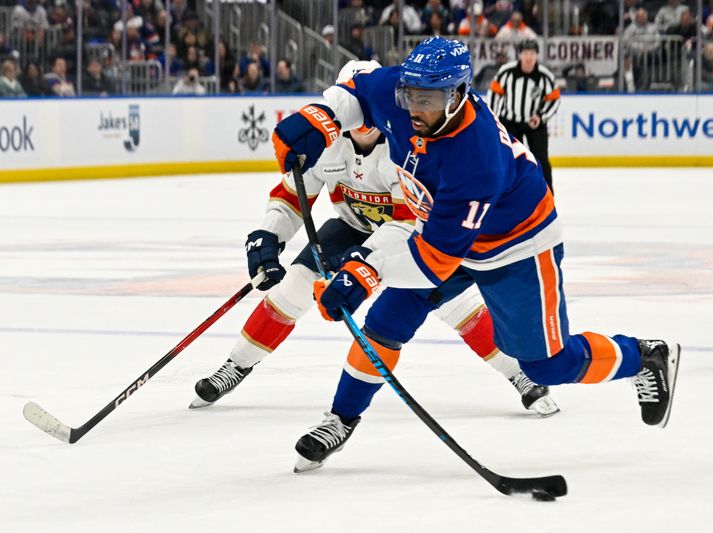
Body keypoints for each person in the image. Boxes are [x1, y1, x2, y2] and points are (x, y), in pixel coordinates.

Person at [271, 37, 681, 472]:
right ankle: (340, 418)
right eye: (411, 95)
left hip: (518, 246)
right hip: (445, 233)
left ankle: (645, 356)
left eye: (428, 99)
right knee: (384, 323)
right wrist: (317, 120)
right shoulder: (404, 92)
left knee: (546, 366)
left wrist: (365, 272)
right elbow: (355, 91)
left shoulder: (475, 158)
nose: (415, 109)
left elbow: (433, 262)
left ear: (458, 94)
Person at [192, 61, 559, 425]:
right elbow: (291, 195)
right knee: (294, 287)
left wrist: (365, 263)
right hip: (350, 228)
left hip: (407, 237)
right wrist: (269, 235)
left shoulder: (403, 144)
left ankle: (519, 374)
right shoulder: (326, 144)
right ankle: (236, 365)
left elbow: (404, 220)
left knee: (457, 306)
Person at [486, 40, 559, 191]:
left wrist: (541, 116)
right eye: (525, 53)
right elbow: (494, 93)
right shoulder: (507, 71)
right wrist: (494, 117)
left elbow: (554, 99)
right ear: (519, 54)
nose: (529, 57)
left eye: (532, 53)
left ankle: (547, 195)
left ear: (537, 55)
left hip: (535, 124)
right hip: (510, 122)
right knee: (507, 159)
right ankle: (505, 194)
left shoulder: (545, 76)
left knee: (541, 161)